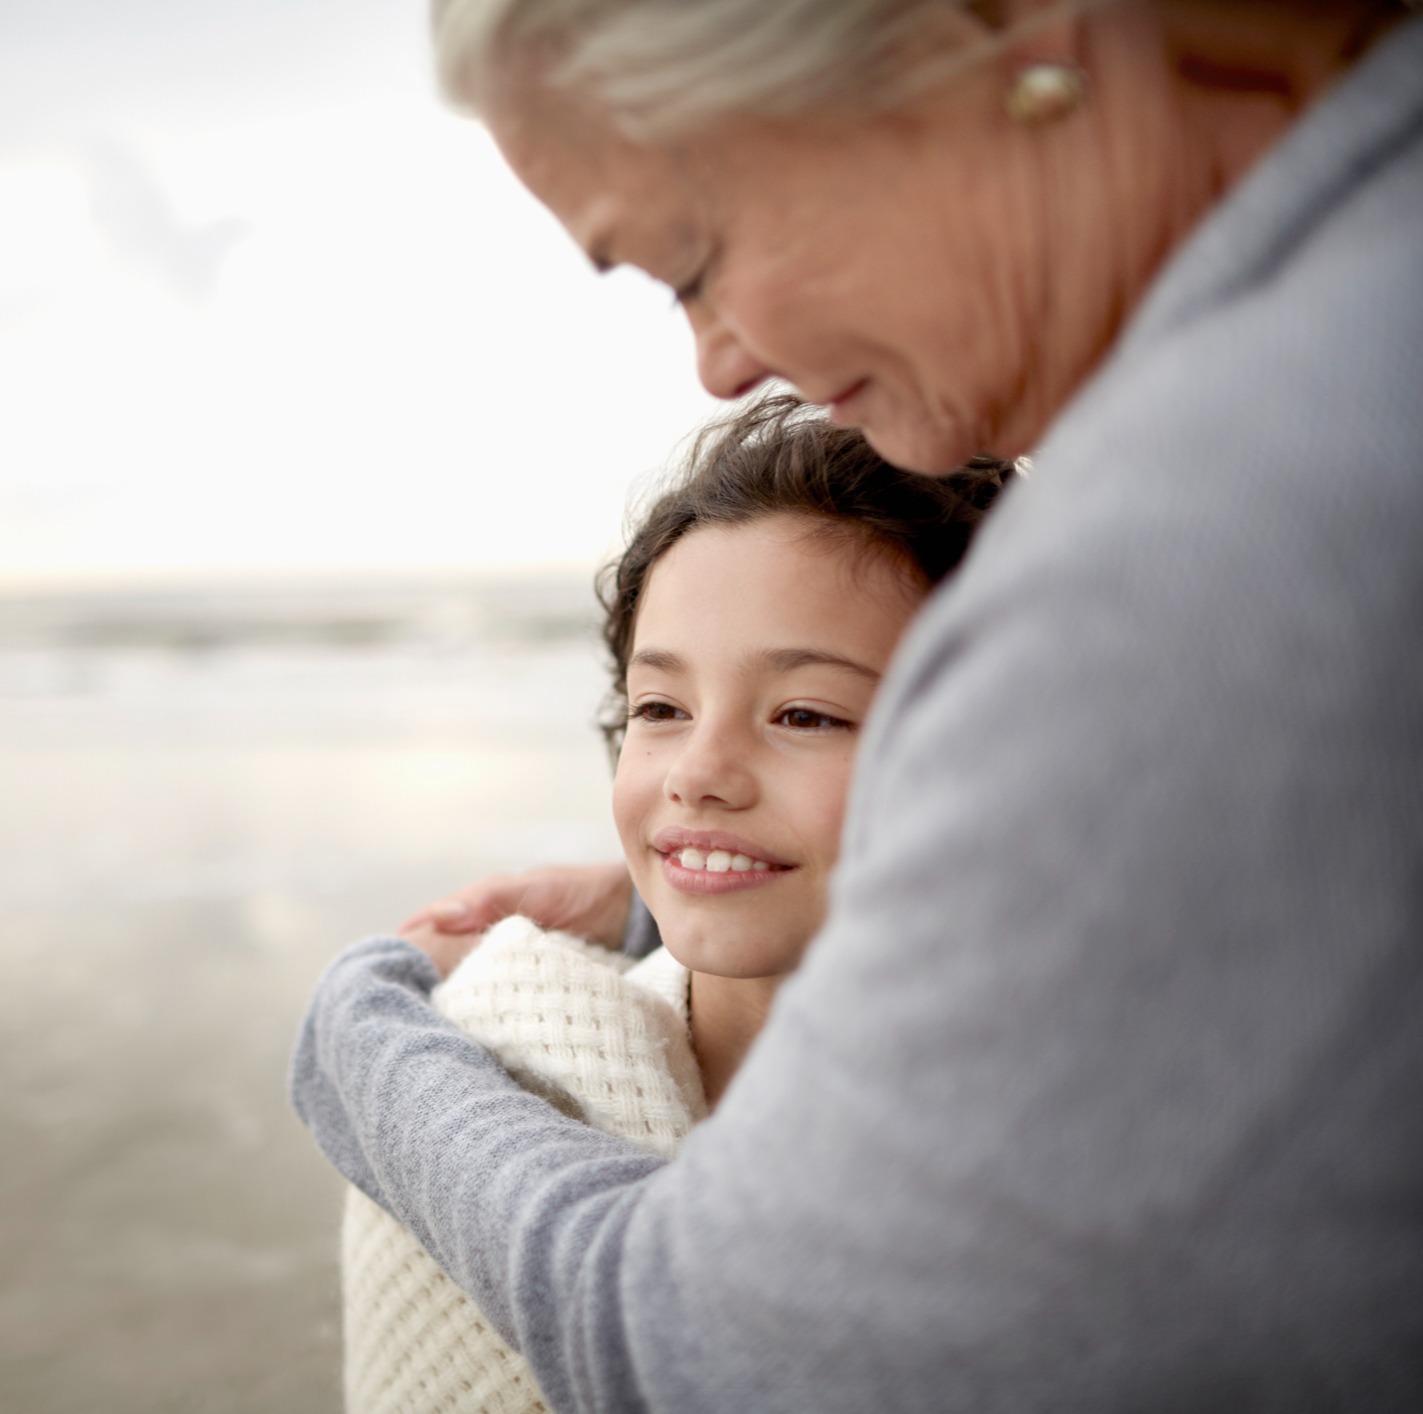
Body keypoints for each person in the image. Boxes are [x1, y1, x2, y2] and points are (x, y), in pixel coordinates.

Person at [292, 2, 1423, 1409]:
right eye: (654, 706)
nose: (717, 357)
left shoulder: (1224, 530)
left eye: (694, 257)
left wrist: (362, 1033)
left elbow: (720, 1352)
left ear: (995, 28)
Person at [340, 395, 1010, 1412]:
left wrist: (353, 1011)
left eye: (804, 713)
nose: (696, 773)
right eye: (659, 707)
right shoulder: (509, 1053)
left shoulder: (1077, 1148)